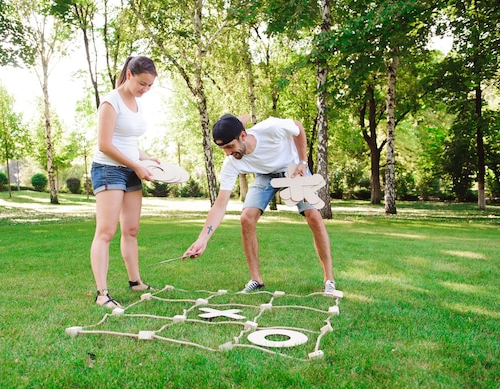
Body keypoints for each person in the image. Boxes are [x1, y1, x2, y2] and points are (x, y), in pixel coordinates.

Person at [183, 114, 336, 294]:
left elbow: (298, 127)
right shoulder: (231, 163)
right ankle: (256, 280)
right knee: (246, 218)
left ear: (242, 135)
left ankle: (329, 280)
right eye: (223, 148)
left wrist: (303, 162)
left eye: (230, 146)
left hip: (293, 169)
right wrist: (202, 239)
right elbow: (220, 204)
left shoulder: (271, 128)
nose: (228, 153)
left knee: (314, 216)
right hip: (265, 175)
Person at [90, 56, 159, 308]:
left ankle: (135, 281)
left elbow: (128, 142)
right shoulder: (111, 102)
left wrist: (146, 158)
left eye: (150, 86)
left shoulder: (136, 103)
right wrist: (136, 165)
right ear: (129, 75)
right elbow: (105, 145)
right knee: (106, 231)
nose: (145, 90)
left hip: (130, 169)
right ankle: (102, 294)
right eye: (142, 83)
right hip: (109, 170)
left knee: (131, 230)